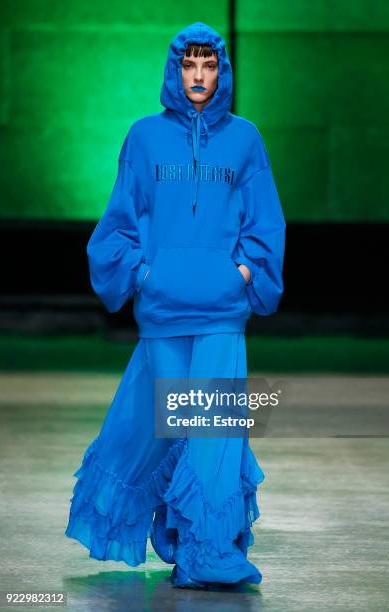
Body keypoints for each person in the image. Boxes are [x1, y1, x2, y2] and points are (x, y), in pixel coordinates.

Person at [64, 21, 286, 589]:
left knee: (212, 429)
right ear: (174, 69)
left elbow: (265, 221)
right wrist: (143, 273)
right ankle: (182, 533)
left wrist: (243, 274)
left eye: (208, 65)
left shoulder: (246, 139)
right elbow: (117, 222)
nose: (198, 76)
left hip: (220, 313)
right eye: (189, 65)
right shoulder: (143, 138)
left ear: (222, 71)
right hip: (163, 313)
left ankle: (209, 552)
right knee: (170, 427)